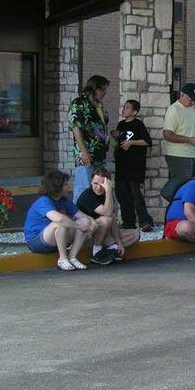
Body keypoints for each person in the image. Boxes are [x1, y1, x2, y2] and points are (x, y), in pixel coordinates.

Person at [24, 170, 94, 270]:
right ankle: (62, 259)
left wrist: (92, 223)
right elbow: (59, 219)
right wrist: (79, 226)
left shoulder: (63, 200)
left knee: (84, 222)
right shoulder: (43, 201)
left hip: (56, 240)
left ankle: (72, 257)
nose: (68, 187)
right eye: (65, 184)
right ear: (56, 186)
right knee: (60, 223)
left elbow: (82, 216)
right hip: (37, 242)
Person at [76, 167, 141, 265]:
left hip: (102, 233)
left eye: (102, 184)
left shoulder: (106, 195)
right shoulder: (87, 195)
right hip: (87, 236)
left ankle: (110, 250)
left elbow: (113, 220)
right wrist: (109, 190)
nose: (98, 187)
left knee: (135, 234)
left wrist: (119, 243)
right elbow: (107, 213)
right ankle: (97, 252)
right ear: (91, 182)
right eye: (95, 183)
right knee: (106, 219)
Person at [112, 99, 154, 232]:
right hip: (121, 165)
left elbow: (147, 141)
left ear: (134, 112)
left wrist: (132, 143)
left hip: (134, 165)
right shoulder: (120, 124)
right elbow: (120, 141)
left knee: (136, 194)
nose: (124, 109)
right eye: (124, 107)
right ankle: (128, 222)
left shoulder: (138, 124)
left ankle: (145, 221)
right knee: (122, 194)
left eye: (128, 107)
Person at [69, 75, 110, 201]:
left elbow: (99, 127)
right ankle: (79, 217)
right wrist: (84, 151)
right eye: (102, 89)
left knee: (98, 186)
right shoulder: (79, 103)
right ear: (94, 88)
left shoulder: (99, 105)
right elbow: (76, 128)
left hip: (99, 152)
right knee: (84, 185)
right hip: (86, 152)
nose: (104, 92)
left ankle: (95, 215)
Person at [163, 83, 195, 179]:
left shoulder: (191, 108)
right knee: (182, 184)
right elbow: (167, 135)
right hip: (177, 155)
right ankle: (165, 194)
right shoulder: (173, 109)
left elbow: (193, 129)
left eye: (194, 100)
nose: (192, 103)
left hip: (192, 154)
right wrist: (189, 140)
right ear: (182, 95)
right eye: (190, 100)